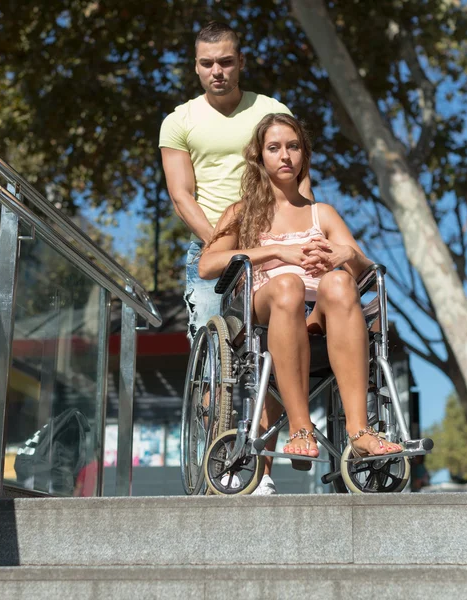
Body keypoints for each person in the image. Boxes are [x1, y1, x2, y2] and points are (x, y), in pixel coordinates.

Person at [159, 22, 311, 493]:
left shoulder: (271, 110)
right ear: (196, 67)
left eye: (225, 61)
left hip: (277, 240)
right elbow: (182, 196)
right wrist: (226, 247)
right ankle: (219, 457)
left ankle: (261, 472)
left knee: (270, 348)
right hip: (214, 248)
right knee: (217, 364)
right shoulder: (179, 121)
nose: (217, 71)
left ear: (240, 62)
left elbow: (298, 180)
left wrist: (301, 237)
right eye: (207, 63)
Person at [199, 113, 403, 462]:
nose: (285, 156)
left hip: (321, 316)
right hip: (267, 309)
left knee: (340, 281)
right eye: (274, 148)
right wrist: (276, 250)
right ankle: (300, 427)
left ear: (303, 155)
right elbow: (207, 265)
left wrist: (346, 253)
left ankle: (359, 432)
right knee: (288, 285)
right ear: (259, 157)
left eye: (293, 147)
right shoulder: (241, 212)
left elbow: (367, 270)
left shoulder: (321, 214)